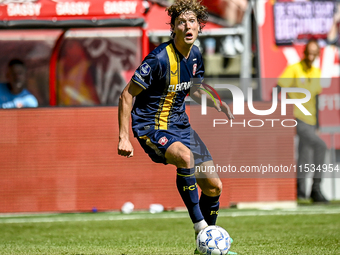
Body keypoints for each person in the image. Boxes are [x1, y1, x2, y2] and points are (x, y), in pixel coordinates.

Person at [117, 0, 235, 253]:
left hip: (181, 126)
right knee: (185, 157)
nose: (187, 26)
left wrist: (217, 102)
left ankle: (202, 249)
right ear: (174, 27)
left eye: (192, 21)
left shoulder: (195, 55)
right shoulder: (159, 58)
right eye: (182, 22)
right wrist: (123, 137)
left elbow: (196, 89)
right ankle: (201, 229)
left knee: (214, 186)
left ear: (199, 26)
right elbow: (127, 95)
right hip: (151, 126)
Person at [277, 39, 328, 203]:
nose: (312, 56)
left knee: (304, 155)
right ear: (304, 53)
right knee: (321, 146)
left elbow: (316, 98)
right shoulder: (294, 69)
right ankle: (316, 188)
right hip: (297, 118)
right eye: (309, 53)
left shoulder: (316, 71)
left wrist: (318, 124)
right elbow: (278, 88)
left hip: (311, 120)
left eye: (315, 54)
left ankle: (300, 191)